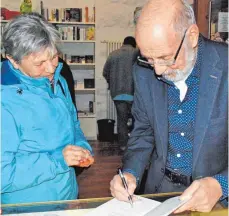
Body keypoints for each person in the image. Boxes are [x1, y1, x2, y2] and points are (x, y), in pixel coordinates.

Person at [110, 0, 228, 213]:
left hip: (217, 200)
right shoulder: (143, 71)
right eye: (149, 59)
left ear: (191, 36)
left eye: (165, 58)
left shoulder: (226, 65)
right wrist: (130, 173)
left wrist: (222, 184)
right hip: (159, 192)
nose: (157, 70)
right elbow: (143, 132)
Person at [1, 13, 94, 204]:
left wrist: (81, 147)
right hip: (28, 206)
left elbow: (73, 125)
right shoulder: (4, 100)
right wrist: (59, 160)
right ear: (13, 61)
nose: (51, 68)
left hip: (67, 196)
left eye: (53, 56)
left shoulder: (58, 80)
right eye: (39, 63)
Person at [103, 36, 138, 151]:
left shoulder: (113, 54)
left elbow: (105, 72)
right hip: (134, 94)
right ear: (134, 45)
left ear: (123, 43)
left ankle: (123, 146)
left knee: (121, 120)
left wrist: (111, 82)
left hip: (117, 93)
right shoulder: (137, 53)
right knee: (137, 119)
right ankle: (135, 145)